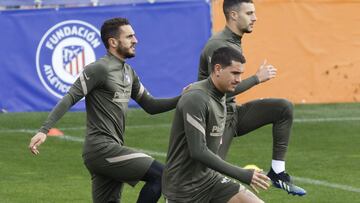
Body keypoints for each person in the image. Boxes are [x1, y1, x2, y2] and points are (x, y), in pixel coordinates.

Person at [29, 17, 181, 203]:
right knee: (163, 175)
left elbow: (150, 105)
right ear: (113, 42)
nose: (136, 40)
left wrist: (183, 98)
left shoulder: (129, 73)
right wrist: (44, 130)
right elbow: (70, 97)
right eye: (130, 36)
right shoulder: (99, 68)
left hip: (109, 151)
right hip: (101, 150)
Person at [198, 0, 306, 196]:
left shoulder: (233, 41)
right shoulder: (219, 45)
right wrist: (257, 78)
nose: (255, 18)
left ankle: (277, 173)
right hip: (214, 120)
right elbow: (220, 90)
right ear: (233, 15)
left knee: (283, 108)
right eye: (249, 13)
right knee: (208, 178)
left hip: (231, 114)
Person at [163, 47, 270, 203]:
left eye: (240, 74)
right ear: (218, 69)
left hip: (210, 180)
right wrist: (243, 174)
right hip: (182, 190)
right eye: (235, 73)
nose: (239, 79)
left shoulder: (221, 94)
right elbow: (198, 151)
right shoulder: (196, 99)